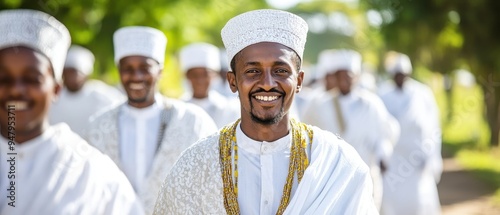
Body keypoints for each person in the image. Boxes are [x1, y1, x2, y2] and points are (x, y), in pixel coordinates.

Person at [153, 9, 378, 214]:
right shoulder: (195, 165)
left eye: (280, 70)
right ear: (232, 81)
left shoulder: (338, 165)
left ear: (299, 81)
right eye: (252, 71)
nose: (268, 83)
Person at [0, 9, 143, 214]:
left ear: (57, 88)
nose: (16, 89)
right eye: (4, 79)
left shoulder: (92, 172)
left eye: (32, 79)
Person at [84, 26, 218, 214]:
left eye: (145, 68)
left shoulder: (193, 122)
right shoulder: (98, 127)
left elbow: (213, 187)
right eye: (127, 69)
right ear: (119, 71)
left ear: (160, 71)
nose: (136, 76)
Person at [301, 49, 399, 210]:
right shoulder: (319, 104)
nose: (345, 79)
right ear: (335, 77)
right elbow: (306, 136)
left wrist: (383, 154)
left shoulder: (371, 103)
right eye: (341, 75)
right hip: (331, 176)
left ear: (357, 77)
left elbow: (384, 133)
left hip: (365, 173)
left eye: (349, 75)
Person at [378, 52, 442, 215]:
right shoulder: (382, 94)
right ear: (392, 75)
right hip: (392, 161)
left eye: (403, 74)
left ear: (408, 74)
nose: (400, 78)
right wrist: (380, 156)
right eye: (396, 75)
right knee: (391, 204)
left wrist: (431, 155)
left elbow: (433, 127)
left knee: (419, 201)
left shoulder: (422, 94)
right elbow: (378, 128)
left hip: (416, 160)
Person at [49, 45, 124, 136]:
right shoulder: (53, 96)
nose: (72, 77)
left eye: (76, 73)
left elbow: (123, 108)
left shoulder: (100, 94)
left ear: (86, 75)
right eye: (68, 72)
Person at [179, 42, 239, 128]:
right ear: (186, 76)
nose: (200, 80)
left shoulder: (228, 109)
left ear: (214, 75)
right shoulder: (179, 109)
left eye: (205, 74)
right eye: (194, 75)